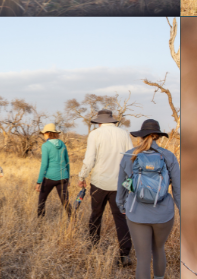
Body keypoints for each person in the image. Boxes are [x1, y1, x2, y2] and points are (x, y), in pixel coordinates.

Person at [118, 119, 181, 279]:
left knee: (143, 258)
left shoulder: (129, 156)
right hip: (163, 214)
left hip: (136, 213)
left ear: (140, 136)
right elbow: (178, 189)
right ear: (158, 137)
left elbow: (122, 187)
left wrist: (122, 206)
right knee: (159, 249)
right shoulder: (168, 156)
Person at [80, 109, 135, 264]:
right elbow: (131, 158)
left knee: (96, 215)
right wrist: (129, 183)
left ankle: (93, 247)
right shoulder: (124, 134)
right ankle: (125, 254)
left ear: (99, 121)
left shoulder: (95, 134)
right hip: (120, 184)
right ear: (112, 121)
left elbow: (89, 158)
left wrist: (82, 176)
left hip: (99, 182)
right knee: (121, 218)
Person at [36, 123, 73, 218]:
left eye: (44, 133)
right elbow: (67, 162)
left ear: (48, 133)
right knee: (65, 201)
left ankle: (40, 222)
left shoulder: (45, 145)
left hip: (49, 177)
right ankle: (73, 220)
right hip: (63, 177)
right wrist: (68, 178)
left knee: (42, 200)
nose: (43, 135)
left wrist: (39, 181)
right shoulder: (63, 144)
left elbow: (44, 164)